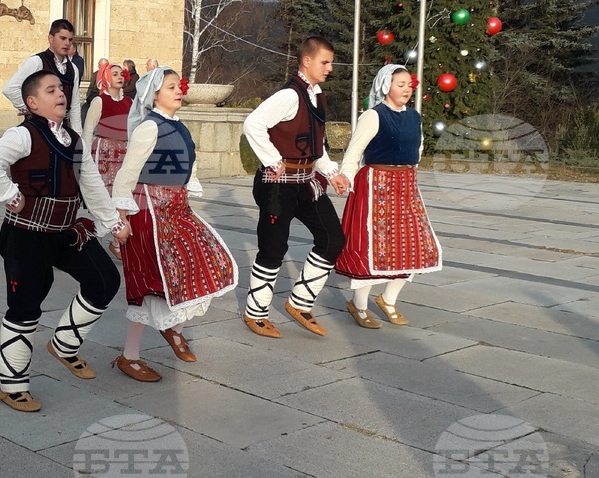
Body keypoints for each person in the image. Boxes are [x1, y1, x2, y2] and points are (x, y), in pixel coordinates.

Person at [0, 70, 130, 413]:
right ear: (32, 102)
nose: (61, 94)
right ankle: (12, 386)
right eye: (51, 90)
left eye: (61, 88)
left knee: (104, 280)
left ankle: (64, 343)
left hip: (65, 232)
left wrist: (113, 223)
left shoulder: (73, 140)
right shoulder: (23, 135)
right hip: (25, 236)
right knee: (25, 307)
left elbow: (90, 183)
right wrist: (8, 194)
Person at [109, 67, 238, 382]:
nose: (179, 91)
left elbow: (187, 166)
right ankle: (130, 356)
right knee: (150, 286)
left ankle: (173, 329)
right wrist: (120, 221)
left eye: (178, 86)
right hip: (150, 214)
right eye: (170, 87)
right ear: (154, 94)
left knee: (207, 267)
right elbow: (126, 176)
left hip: (177, 210)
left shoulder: (178, 126)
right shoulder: (148, 128)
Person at [240, 36, 350, 339]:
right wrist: (273, 160)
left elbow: (314, 142)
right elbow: (253, 124)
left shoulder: (317, 95)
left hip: (306, 183)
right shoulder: (289, 95)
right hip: (278, 185)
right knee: (274, 248)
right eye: (324, 62)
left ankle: (299, 303)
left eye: (330, 62)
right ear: (307, 61)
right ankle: (256, 312)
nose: (329, 68)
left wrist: (330, 171)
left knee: (332, 239)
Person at [335, 65, 442, 328]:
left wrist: (411, 175)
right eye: (400, 84)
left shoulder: (414, 116)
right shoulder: (373, 115)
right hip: (376, 185)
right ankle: (359, 305)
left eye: (409, 84)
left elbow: (417, 148)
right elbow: (354, 151)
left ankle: (388, 299)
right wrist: (346, 178)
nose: (406, 89)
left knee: (415, 244)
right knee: (374, 247)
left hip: (405, 185)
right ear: (386, 86)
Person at [82, 61, 132, 259]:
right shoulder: (99, 101)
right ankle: (114, 239)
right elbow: (88, 129)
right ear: (106, 78)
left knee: (124, 196)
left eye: (121, 73)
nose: (120, 77)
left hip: (124, 150)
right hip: (105, 152)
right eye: (115, 73)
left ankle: (118, 241)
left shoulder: (129, 102)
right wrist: (84, 159)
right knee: (109, 197)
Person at [2, 19, 82, 132]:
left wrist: (78, 136)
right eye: (63, 38)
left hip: (62, 129)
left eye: (70, 39)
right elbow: (10, 88)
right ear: (51, 38)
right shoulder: (37, 62)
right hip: (38, 127)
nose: (67, 43)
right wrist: (32, 108)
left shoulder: (73, 69)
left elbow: (74, 105)